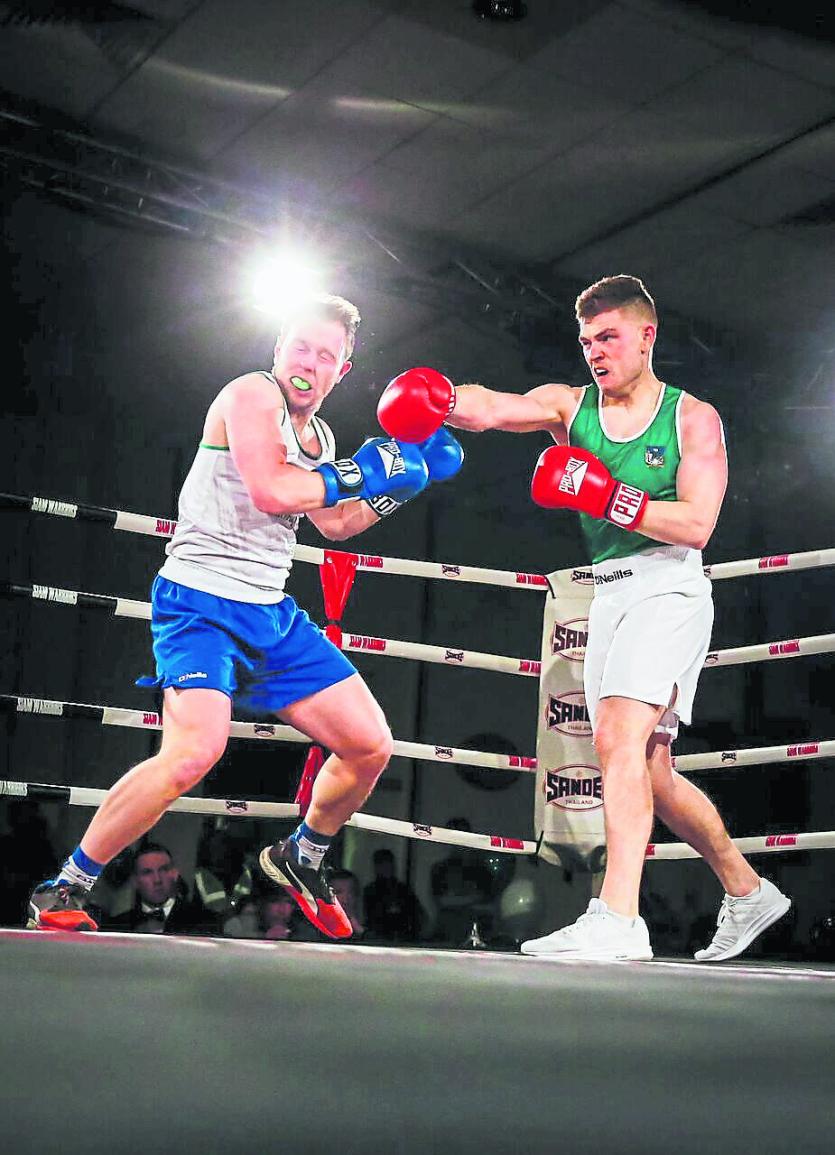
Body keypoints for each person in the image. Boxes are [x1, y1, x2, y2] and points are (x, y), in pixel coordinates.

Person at [376, 275, 790, 963]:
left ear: (645, 335)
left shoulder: (691, 417)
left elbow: (696, 523)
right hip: (608, 594)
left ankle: (619, 917)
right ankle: (747, 891)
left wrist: (606, 496)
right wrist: (441, 400)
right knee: (648, 770)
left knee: (617, 738)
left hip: (667, 588)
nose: (595, 352)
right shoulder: (570, 408)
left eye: (608, 337)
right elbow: (495, 408)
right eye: (586, 341)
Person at [28, 294, 463, 938]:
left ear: (341, 370)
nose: (308, 362)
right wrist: (368, 469)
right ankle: (66, 884)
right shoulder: (250, 396)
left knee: (370, 745)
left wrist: (401, 484)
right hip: (199, 605)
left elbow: (337, 523)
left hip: (271, 614)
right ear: (278, 348)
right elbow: (272, 490)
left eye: (325, 354)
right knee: (193, 752)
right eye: (299, 346)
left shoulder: (321, 437)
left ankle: (303, 854)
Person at [102, 842, 219, 936]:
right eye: (147, 872)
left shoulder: (205, 922)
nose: (157, 880)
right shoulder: (117, 927)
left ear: (175, 874)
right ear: (135, 881)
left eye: (163, 870)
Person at [363, 848, 424, 943]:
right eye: (382, 864)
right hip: (379, 939)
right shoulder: (370, 891)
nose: (386, 868)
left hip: (405, 939)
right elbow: (371, 918)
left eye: (388, 864)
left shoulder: (404, 889)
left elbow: (417, 915)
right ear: (376, 867)